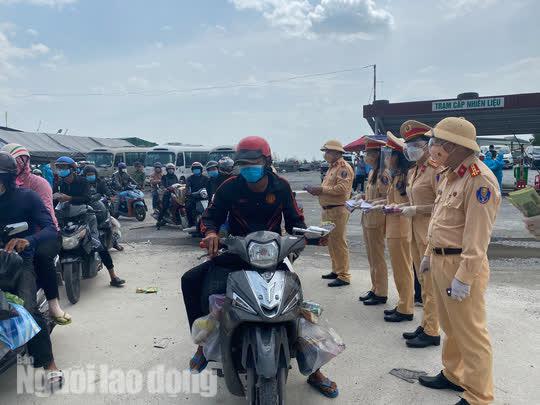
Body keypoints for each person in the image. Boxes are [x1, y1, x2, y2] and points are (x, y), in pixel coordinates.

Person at [181, 136, 339, 398]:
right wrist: (210, 233)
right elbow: (212, 215)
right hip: (237, 252)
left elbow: (295, 221)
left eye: (252, 162)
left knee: (297, 305)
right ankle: (203, 344)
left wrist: (308, 236)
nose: (247, 168)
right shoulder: (229, 187)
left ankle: (314, 368)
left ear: (266, 161)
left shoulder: (281, 187)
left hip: (274, 253)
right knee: (195, 282)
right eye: (242, 163)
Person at [418, 117, 501, 405]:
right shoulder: (452, 174)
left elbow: (478, 239)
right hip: (441, 262)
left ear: (454, 146)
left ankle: (479, 396)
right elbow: (440, 222)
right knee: (450, 326)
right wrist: (429, 254)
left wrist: (464, 278)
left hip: (461, 266)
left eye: (437, 142)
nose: (432, 148)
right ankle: (453, 373)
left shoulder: (480, 180)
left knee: (471, 333)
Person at [0, 151, 64, 389]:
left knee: (28, 309)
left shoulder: (27, 197)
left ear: (7, 178)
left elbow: (50, 228)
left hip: (20, 260)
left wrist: (30, 241)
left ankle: (50, 366)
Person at [1, 143, 71, 326]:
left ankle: (53, 304)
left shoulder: (35, 187)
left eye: (19, 161)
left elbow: (47, 219)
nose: (17, 165)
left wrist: (29, 239)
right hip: (6, 247)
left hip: (41, 235)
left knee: (27, 309)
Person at [395, 121, 442, 347]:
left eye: (415, 144)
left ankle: (432, 331)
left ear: (427, 146)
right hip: (414, 232)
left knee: (431, 284)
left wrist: (417, 210)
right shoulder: (414, 171)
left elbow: (443, 205)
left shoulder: (436, 171)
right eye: (408, 145)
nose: (410, 148)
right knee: (422, 282)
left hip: (429, 233)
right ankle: (425, 324)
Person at [54, 157, 125, 288]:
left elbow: (87, 198)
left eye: (63, 167)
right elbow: (54, 200)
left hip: (86, 215)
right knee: (56, 244)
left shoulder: (82, 181)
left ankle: (113, 276)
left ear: (72, 169)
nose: (61, 170)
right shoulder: (59, 183)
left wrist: (69, 198)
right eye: (59, 167)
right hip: (66, 217)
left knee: (97, 244)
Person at [306, 140, 354, 287]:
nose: (325, 155)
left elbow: (342, 189)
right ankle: (336, 270)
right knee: (330, 242)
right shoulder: (331, 168)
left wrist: (321, 190)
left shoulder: (343, 168)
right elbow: (328, 187)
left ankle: (344, 275)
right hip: (327, 210)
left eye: (327, 152)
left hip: (337, 210)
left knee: (339, 242)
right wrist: (317, 191)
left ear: (336, 153)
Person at [381, 133, 415, 323]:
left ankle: (406, 307)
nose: (386, 159)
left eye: (389, 155)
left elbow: (411, 202)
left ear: (397, 157)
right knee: (399, 269)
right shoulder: (397, 176)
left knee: (403, 269)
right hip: (393, 226)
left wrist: (395, 208)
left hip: (401, 228)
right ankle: (403, 302)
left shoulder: (407, 176)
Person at [357, 138, 389, 305]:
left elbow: (386, 198)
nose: (366, 156)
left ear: (377, 154)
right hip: (367, 218)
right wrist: (360, 198)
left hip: (377, 219)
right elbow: (371, 195)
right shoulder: (372, 172)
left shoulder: (384, 173)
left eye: (368, 153)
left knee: (378, 257)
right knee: (371, 257)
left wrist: (371, 203)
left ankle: (382, 292)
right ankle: (375, 287)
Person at [82, 165, 123, 251]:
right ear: (84, 175)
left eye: (92, 174)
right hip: (85, 207)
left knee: (108, 224)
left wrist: (110, 196)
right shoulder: (81, 183)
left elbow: (106, 190)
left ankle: (114, 243)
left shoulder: (100, 182)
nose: (90, 176)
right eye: (88, 174)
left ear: (95, 174)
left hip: (101, 207)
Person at [186, 162, 209, 227]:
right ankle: (191, 224)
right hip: (193, 198)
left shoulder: (206, 178)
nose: (196, 170)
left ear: (201, 169)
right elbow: (188, 187)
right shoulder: (189, 178)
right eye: (195, 169)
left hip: (205, 197)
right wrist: (189, 193)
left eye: (198, 168)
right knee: (188, 207)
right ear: (192, 170)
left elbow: (209, 187)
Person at [156, 163, 179, 227]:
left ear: (174, 170)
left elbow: (178, 183)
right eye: (169, 169)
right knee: (165, 206)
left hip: (175, 193)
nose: (170, 170)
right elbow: (162, 184)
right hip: (167, 194)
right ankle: (159, 220)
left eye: (172, 169)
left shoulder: (175, 176)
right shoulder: (164, 177)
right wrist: (165, 188)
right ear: (167, 170)